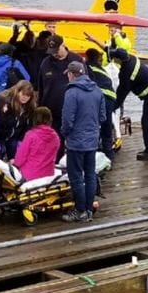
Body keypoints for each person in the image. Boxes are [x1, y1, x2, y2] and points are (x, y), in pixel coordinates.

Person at [60, 61, 105, 222]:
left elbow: (67, 120)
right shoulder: (97, 90)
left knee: (76, 176)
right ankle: (88, 209)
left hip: (76, 142)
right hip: (92, 140)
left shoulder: (72, 93)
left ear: (72, 74)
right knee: (90, 174)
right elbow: (102, 117)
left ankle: (80, 210)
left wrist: (64, 134)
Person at [109, 48, 148, 161]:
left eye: (115, 59)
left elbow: (121, 93)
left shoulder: (127, 71)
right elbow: (110, 50)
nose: (113, 61)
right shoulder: (131, 58)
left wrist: (112, 107)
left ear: (119, 60)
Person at [38, 34, 83, 149]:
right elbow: (40, 87)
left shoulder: (77, 60)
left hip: (74, 110)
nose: (55, 54)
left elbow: (86, 83)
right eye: (52, 51)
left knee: (74, 143)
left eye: (57, 50)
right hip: (52, 112)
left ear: (63, 45)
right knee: (54, 144)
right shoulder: (45, 63)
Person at [85, 48, 117, 161]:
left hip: (101, 98)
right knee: (106, 126)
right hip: (111, 98)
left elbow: (90, 85)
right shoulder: (101, 69)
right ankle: (109, 154)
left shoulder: (87, 67)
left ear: (87, 57)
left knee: (96, 125)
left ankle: (97, 153)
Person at [12, 106, 60, 181]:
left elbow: (21, 157)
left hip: (29, 175)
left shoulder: (31, 135)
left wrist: (14, 164)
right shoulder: (56, 137)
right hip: (48, 175)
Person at [0, 80, 37, 159]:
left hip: (14, 138)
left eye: (28, 96)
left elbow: (27, 126)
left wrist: (21, 139)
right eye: (23, 94)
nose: (25, 98)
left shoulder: (29, 108)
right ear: (17, 92)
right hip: (1, 135)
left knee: (14, 154)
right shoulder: (7, 103)